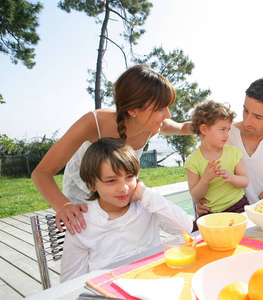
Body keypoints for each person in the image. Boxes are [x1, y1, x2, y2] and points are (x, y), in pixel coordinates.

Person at [31, 65, 191, 235]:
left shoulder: (152, 125)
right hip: (83, 195)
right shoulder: (93, 122)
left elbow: (183, 128)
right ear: (133, 109)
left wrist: (209, 126)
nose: (168, 115)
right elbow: (41, 173)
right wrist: (64, 207)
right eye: (160, 108)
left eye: (167, 107)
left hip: (120, 191)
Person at [60, 138, 192, 282]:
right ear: (92, 185)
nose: (124, 188)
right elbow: (70, 280)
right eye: (111, 181)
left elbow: (185, 228)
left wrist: (145, 194)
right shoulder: (82, 222)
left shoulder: (147, 205)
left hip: (155, 282)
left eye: (129, 177)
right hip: (109, 291)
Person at [195, 77, 263, 215]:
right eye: (245, 110)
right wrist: (199, 202)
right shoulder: (222, 136)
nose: (247, 121)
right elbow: (198, 173)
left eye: (257, 117)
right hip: (225, 220)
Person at [184, 101, 249, 228]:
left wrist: (232, 177)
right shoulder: (192, 161)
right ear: (204, 129)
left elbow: (245, 181)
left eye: (228, 129)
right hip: (210, 214)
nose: (227, 134)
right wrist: (206, 179)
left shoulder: (233, 152)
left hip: (237, 207)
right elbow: (195, 195)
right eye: (222, 129)